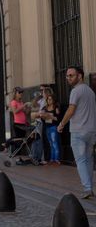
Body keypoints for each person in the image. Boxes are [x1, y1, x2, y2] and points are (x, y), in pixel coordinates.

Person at [57, 66, 96, 199]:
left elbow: (71, 110)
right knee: (89, 160)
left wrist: (62, 124)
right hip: (91, 131)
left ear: (80, 76)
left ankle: (87, 188)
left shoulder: (76, 91)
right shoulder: (90, 91)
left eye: (71, 75)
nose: (68, 78)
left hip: (79, 131)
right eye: (67, 76)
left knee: (81, 160)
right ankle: (89, 186)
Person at [40, 89, 61, 165]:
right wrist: (43, 116)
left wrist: (51, 116)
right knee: (50, 144)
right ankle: (52, 159)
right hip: (47, 127)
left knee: (55, 143)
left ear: (53, 100)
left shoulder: (56, 108)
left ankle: (57, 159)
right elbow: (41, 116)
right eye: (48, 99)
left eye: (50, 99)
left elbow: (58, 119)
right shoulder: (45, 108)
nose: (49, 101)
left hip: (53, 127)